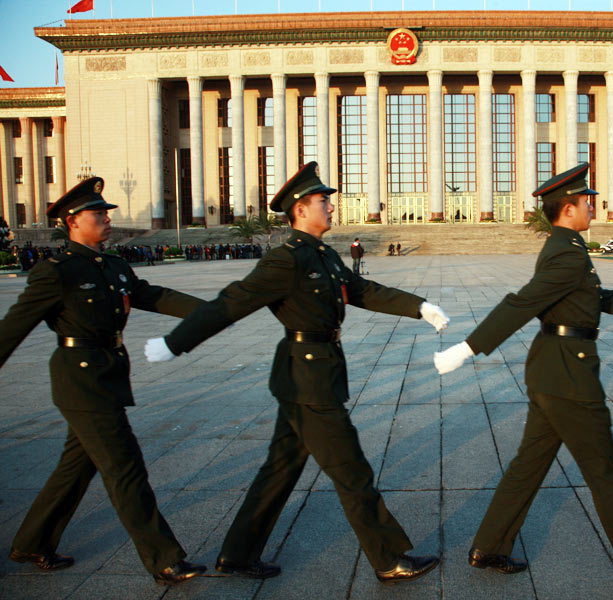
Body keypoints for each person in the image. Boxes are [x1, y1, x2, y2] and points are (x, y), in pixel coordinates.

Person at [143, 162, 448, 585]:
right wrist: (176, 342)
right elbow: (234, 299)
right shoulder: (284, 260)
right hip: (308, 380)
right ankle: (388, 557)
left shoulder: (322, 255)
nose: (331, 206)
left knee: (280, 468)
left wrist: (419, 307)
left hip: (312, 374)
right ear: (301, 210)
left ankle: (237, 555)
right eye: (324, 201)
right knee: (351, 469)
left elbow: (362, 291)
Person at [433, 163, 613, 576]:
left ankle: (489, 547)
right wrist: (467, 348)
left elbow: (598, 297)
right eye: (587, 200)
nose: (594, 205)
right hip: (570, 374)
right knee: (601, 466)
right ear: (568, 209)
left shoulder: (566, 248)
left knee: (529, 464)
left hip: (554, 370)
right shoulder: (566, 253)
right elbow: (523, 302)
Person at [0, 177, 207, 585]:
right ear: (72, 221)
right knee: (124, 467)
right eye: (98, 213)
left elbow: (153, 295)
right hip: (80, 381)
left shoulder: (112, 265)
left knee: (76, 467)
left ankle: (33, 542)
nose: (107, 219)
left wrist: (215, 310)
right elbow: (13, 327)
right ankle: (164, 558)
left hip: (109, 376)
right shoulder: (56, 271)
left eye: (107, 212)